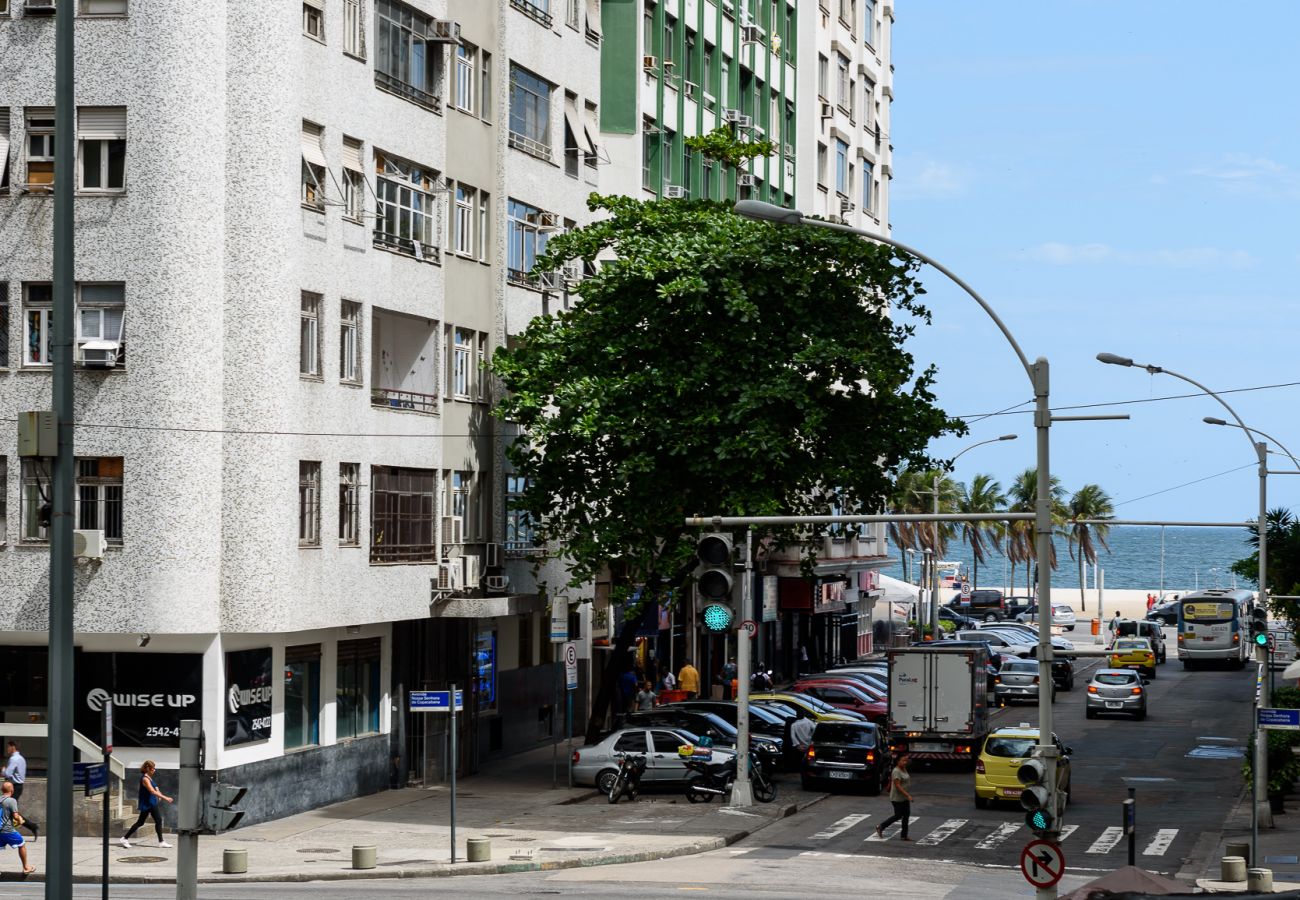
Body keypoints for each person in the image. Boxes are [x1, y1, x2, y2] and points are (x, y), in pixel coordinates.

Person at [121, 760, 174, 849]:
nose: (154, 770)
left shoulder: (149, 778)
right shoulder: (145, 779)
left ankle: (125, 838)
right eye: (153, 769)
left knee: (143, 822)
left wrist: (160, 795)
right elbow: (152, 791)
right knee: (154, 821)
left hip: (151, 802)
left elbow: (156, 788)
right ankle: (125, 838)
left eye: (154, 768)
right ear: (148, 769)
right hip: (148, 803)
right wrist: (166, 798)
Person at [2, 742, 37, 841]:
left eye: (8, 747)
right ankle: (31, 826)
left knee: (10, 810)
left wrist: (3, 770)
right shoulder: (21, 758)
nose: (7, 749)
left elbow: (8, 774)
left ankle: (31, 826)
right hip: (19, 786)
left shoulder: (13, 759)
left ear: (13, 747)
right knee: (10, 810)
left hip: (13, 787)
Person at [875, 754, 913, 841]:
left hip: (904, 797)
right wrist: (908, 795)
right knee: (898, 815)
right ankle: (881, 826)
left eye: (906, 761)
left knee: (906, 815)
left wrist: (906, 796)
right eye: (903, 761)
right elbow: (897, 786)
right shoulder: (896, 771)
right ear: (898, 761)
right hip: (897, 797)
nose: (905, 762)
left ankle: (904, 835)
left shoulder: (903, 769)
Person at [0, 781, 34, 875]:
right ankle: (26, 867)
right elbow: (15, 816)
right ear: (12, 790)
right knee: (21, 844)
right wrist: (20, 820)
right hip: (7, 830)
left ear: (2, 790)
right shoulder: (12, 800)